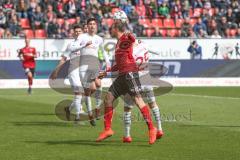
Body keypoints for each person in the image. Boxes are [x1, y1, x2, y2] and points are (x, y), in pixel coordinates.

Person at [96, 21, 157, 145]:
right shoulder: (118, 42)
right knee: (108, 98)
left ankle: (152, 128)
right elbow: (118, 64)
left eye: (111, 28)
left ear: (116, 29)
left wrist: (130, 35)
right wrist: (107, 71)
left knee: (138, 100)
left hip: (130, 73)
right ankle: (107, 129)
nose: (109, 30)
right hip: (122, 75)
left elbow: (133, 39)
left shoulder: (125, 37)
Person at [122, 39, 164, 143]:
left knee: (127, 108)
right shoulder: (143, 44)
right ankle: (159, 129)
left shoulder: (128, 50)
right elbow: (158, 52)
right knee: (153, 104)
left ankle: (127, 135)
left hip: (134, 80)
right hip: (147, 78)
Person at [77, 18, 110, 126]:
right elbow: (75, 47)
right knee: (91, 89)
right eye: (90, 24)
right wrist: (83, 46)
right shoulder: (82, 37)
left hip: (94, 65)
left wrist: (108, 61)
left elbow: (103, 51)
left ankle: (97, 108)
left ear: (96, 26)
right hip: (84, 67)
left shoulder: (99, 39)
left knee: (99, 84)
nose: (92, 26)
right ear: (87, 26)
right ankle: (90, 114)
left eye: (94, 24)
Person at [50, 25, 86, 122]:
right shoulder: (71, 45)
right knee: (79, 92)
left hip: (83, 71)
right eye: (76, 31)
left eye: (80, 31)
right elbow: (63, 59)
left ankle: (69, 109)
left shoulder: (87, 43)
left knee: (84, 94)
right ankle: (78, 116)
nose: (78, 33)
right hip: (73, 71)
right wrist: (56, 71)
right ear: (73, 33)